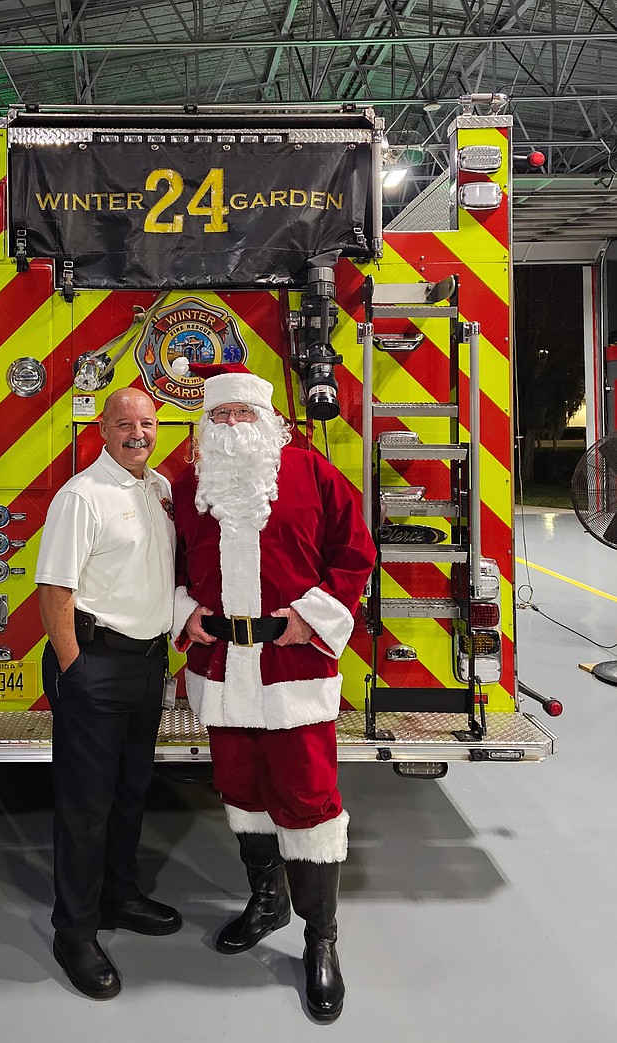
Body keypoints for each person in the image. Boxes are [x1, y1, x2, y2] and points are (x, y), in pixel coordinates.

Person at [171, 362, 376, 1023]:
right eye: (221, 416)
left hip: (294, 671)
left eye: (243, 415)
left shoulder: (312, 473)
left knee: (310, 801)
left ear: (267, 422)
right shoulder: (186, 483)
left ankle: (322, 939)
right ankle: (268, 900)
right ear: (207, 423)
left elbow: (356, 553)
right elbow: (165, 563)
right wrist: (183, 611)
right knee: (240, 787)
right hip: (223, 670)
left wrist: (308, 618)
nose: (232, 426)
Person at [35, 387, 181, 1001]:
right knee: (85, 806)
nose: (138, 433)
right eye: (125, 424)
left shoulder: (156, 491)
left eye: (147, 423)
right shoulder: (81, 497)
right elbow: (54, 590)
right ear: (102, 432)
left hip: (146, 666)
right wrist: (74, 669)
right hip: (93, 665)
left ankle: (119, 897)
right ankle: (74, 931)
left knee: (128, 793)